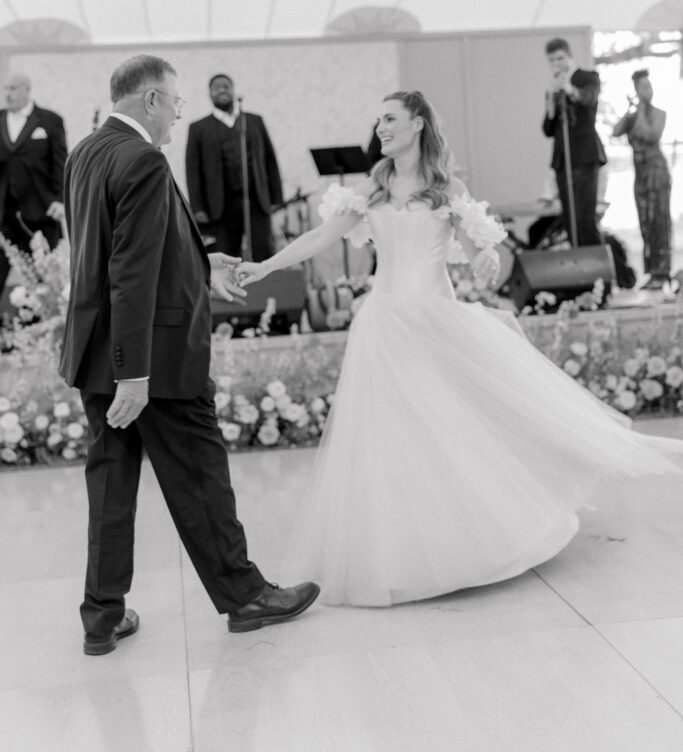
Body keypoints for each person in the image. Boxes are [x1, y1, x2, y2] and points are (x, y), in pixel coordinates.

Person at [239, 90, 682, 607]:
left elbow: (479, 251)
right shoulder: (370, 189)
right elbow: (319, 237)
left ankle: (478, 538)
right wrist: (265, 267)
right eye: (378, 118)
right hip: (383, 324)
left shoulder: (448, 189)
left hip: (434, 319)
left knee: (451, 427)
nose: (380, 127)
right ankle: (401, 548)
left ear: (418, 125)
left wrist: (486, 261)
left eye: (390, 118)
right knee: (390, 438)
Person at [58, 54, 318, 655]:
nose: (179, 114)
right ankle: (246, 596)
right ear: (150, 100)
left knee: (110, 487)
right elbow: (131, 270)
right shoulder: (145, 159)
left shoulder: (86, 152)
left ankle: (102, 617)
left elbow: (119, 249)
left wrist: (203, 263)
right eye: (175, 103)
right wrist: (137, 375)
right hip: (155, 363)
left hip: (96, 352)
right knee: (201, 476)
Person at [185, 74, 282, 260]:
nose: (222, 90)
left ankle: (261, 289)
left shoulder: (254, 121)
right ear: (210, 94)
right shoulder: (198, 128)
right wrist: (198, 208)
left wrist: (276, 198)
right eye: (216, 87)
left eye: (226, 86)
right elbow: (192, 171)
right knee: (227, 256)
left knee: (263, 252)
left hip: (256, 201)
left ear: (233, 90)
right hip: (220, 206)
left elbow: (270, 159)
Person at [0, 72, 67, 288]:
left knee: (42, 281)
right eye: (6, 89)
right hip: (4, 215)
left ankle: (39, 322)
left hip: (39, 213)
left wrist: (60, 199)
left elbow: (60, 164)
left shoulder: (50, 121)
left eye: (13, 89)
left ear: (27, 90)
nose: (8, 94)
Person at [542, 38, 607, 246]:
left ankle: (599, 273)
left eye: (560, 58)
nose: (556, 63)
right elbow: (548, 129)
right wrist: (551, 101)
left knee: (584, 219)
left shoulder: (587, 77)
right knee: (569, 220)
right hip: (563, 161)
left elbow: (587, 99)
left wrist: (569, 89)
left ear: (569, 56)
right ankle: (582, 275)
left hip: (585, 157)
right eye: (552, 60)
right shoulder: (554, 89)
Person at [612, 69, 672, 289]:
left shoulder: (659, 114)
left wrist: (642, 110)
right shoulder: (633, 115)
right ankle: (651, 271)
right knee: (645, 223)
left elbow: (651, 134)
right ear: (635, 90)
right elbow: (616, 131)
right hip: (640, 175)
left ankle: (662, 271)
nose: (648, 91)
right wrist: (631, 111)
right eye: (643, 87)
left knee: (659, 221)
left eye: (649, 86)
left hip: (656, 172)